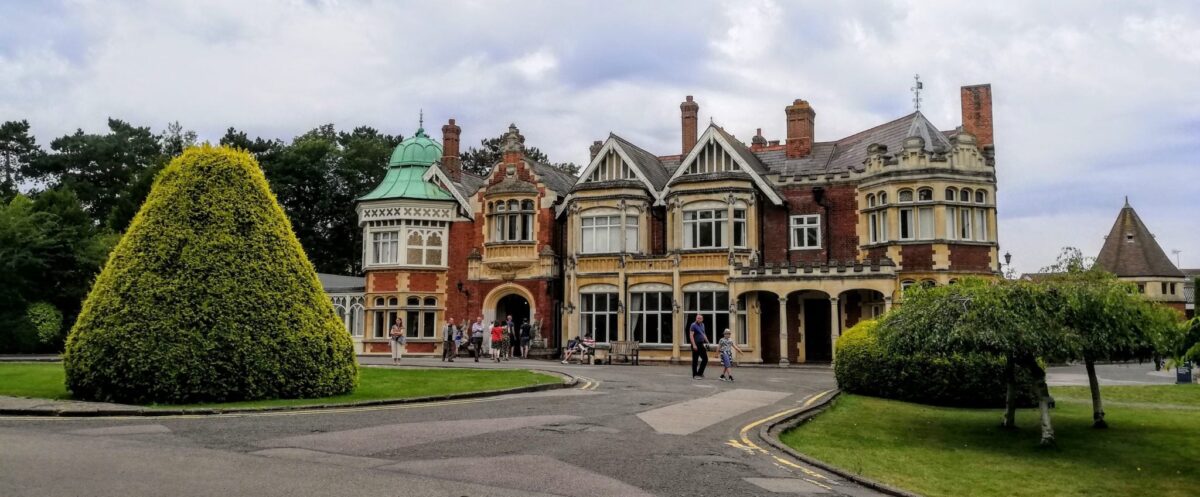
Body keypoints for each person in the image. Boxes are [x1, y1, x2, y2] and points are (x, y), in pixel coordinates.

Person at [688, 314, 709, 379]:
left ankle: (699, 373)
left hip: (701, 344)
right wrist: (694, 345)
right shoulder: (693, 325)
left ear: (702, 319)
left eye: (700, 318)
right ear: (696, 318)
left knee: (705, 359)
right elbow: (691, 335)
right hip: (695, 344)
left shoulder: (702, 325)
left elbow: (703, 334)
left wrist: (707, 341)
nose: (698, 319)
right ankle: (695, 375)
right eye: (697, 318)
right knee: (695, 360)